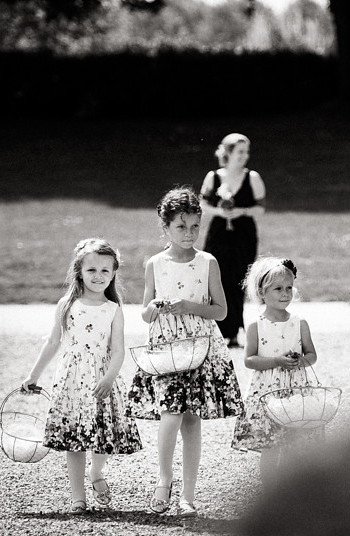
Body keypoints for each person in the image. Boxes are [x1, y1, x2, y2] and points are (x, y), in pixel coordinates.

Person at [126, 186, 244, 517]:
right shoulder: (155, 264)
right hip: (166, 348)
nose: (189, 233)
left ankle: (188, 496)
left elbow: (221, 311)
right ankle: (164, 480)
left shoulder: (207, 262)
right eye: (181, 227)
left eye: (194, 226)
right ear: (165, 228)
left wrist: (190, 305)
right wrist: (155, 308)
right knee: (170, 413)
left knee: (192, 419)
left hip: (201, 345)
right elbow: (145, 312)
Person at [22, 238, 142, 515]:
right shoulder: (67, 304)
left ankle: (96, 472)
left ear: (113, 273)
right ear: (79, 272)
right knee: (74, 439)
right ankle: (78, 498)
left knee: (102, 434)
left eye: (105, 270)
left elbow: (119, 350)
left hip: (102, 379)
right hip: (72, 380)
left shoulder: (113, 309)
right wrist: (34, 375)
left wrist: (110, 378)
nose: (98, 276)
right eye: (91, 270)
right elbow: (53, 343)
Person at [231, 256, 319, 488]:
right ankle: (270, 489)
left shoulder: (299, 323)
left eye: (289, 288)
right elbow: (249, 360)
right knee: (270, 446)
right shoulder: (255, 326)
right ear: (262, 292)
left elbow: (312, 355)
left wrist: (301, 361)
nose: (285, 293)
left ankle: (290, 490)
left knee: (294, 443)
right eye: (278, 288)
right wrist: (276, 360)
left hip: (295, 392)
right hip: (268, 392)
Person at [200, 133, 267, 348]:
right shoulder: (213, 177)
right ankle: (218, 330)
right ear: (227, 153)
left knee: (239, 279)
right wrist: (221, 211)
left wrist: (241, 211)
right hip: (219, 234)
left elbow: (260, 209)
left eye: (246, 152)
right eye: (240, 152)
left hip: (243, 235)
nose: (244, 156)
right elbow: (202, 205)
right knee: (217, 279)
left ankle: (236, 331)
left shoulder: (253, 178)